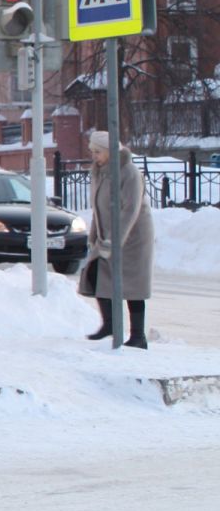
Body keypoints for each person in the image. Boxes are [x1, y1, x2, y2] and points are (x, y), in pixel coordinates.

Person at [79, 129, 154, 349]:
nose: (94, 156)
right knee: (96, 274)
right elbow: (98, 208)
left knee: (133, 285)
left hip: (133, 236)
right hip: (108, 234)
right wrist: (95, 236)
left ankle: (138, 336)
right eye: (92, 151)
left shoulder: (128, 172)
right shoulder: (100, 171)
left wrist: (115, 240)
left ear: (110, 152)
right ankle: (110, 324)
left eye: (98, 152)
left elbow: (129, 210)